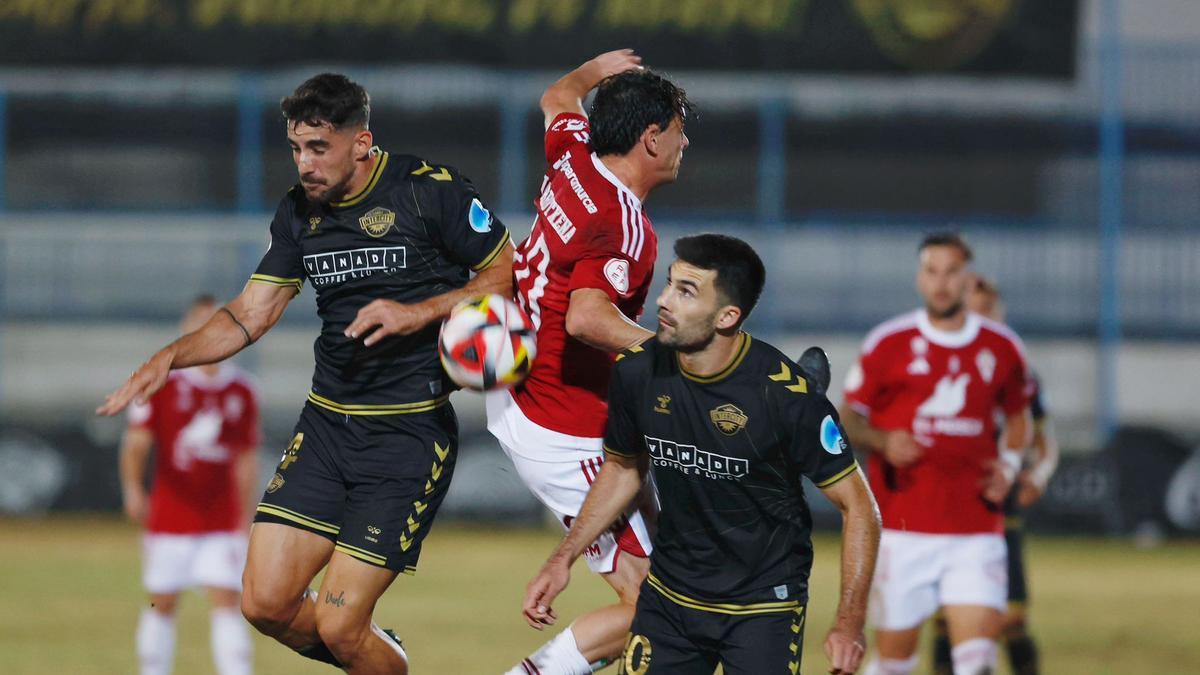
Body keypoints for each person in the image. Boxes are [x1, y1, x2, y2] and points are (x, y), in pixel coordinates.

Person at [98, 73, 513, 674]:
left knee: (341, 625)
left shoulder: (429, 191)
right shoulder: (299, 213)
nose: (305, 164)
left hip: (405, 436)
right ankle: (375, 656)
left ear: (362, 143)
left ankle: (365, 649)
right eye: (296, 148)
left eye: (319, 148)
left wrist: (416, 312)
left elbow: (506, 274)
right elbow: (250, 312)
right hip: (324, 431)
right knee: (263, 603)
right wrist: (171, 355)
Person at [522, 234, 881, 675]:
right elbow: (622, 470)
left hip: (762, 610)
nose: (664, 301)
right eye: (670, 284)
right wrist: (564, 559)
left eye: (686, 292)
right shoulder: (637, 370)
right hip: (670, 601)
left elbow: (860, 505)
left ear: (728, 316)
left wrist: (849, 622)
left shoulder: (787, 399)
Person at [485, 50, 692, 674]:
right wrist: (685, 356)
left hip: (528, 390)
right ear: (652, 139)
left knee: (674, 569)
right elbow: (587, 318)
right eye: (681, 130)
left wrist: (597, 67)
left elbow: (557, 95)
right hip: (563, 424)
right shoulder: (625, 225)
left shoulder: (576, 158)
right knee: (666, 607)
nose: (686, 143)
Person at [839, 233, 1034, 675]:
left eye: (952, 272)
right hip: (905, 530)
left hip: (976, 530)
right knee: (895, 663)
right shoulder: (888, 343)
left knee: (977, 662)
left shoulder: (1002, 347)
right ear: (920, 278)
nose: (942, 283)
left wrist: (1008, 464)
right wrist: (885, 439)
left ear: (967, 279)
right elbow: (847, 419)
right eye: (933, 271)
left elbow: (1019, 417)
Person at [120, 295, 260, 675]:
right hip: (169, 515)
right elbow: (136, 443)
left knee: (227, 600)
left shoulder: (243, 390)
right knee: (161, 602)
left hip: (221, 517)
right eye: (197, 325)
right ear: (185, 332)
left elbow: (246, 458)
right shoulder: (162, 383)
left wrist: (245, 514)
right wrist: (133, 488)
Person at [929, 275, 1058, 675]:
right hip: (943, 507)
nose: (984, 318)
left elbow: (1044, 439)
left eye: (989, 310)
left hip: (997, 510)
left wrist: (1038, 475)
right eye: (976, 310)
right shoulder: (935, 362)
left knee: (1011, 618)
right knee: (948, 621)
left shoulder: (1018, 370)